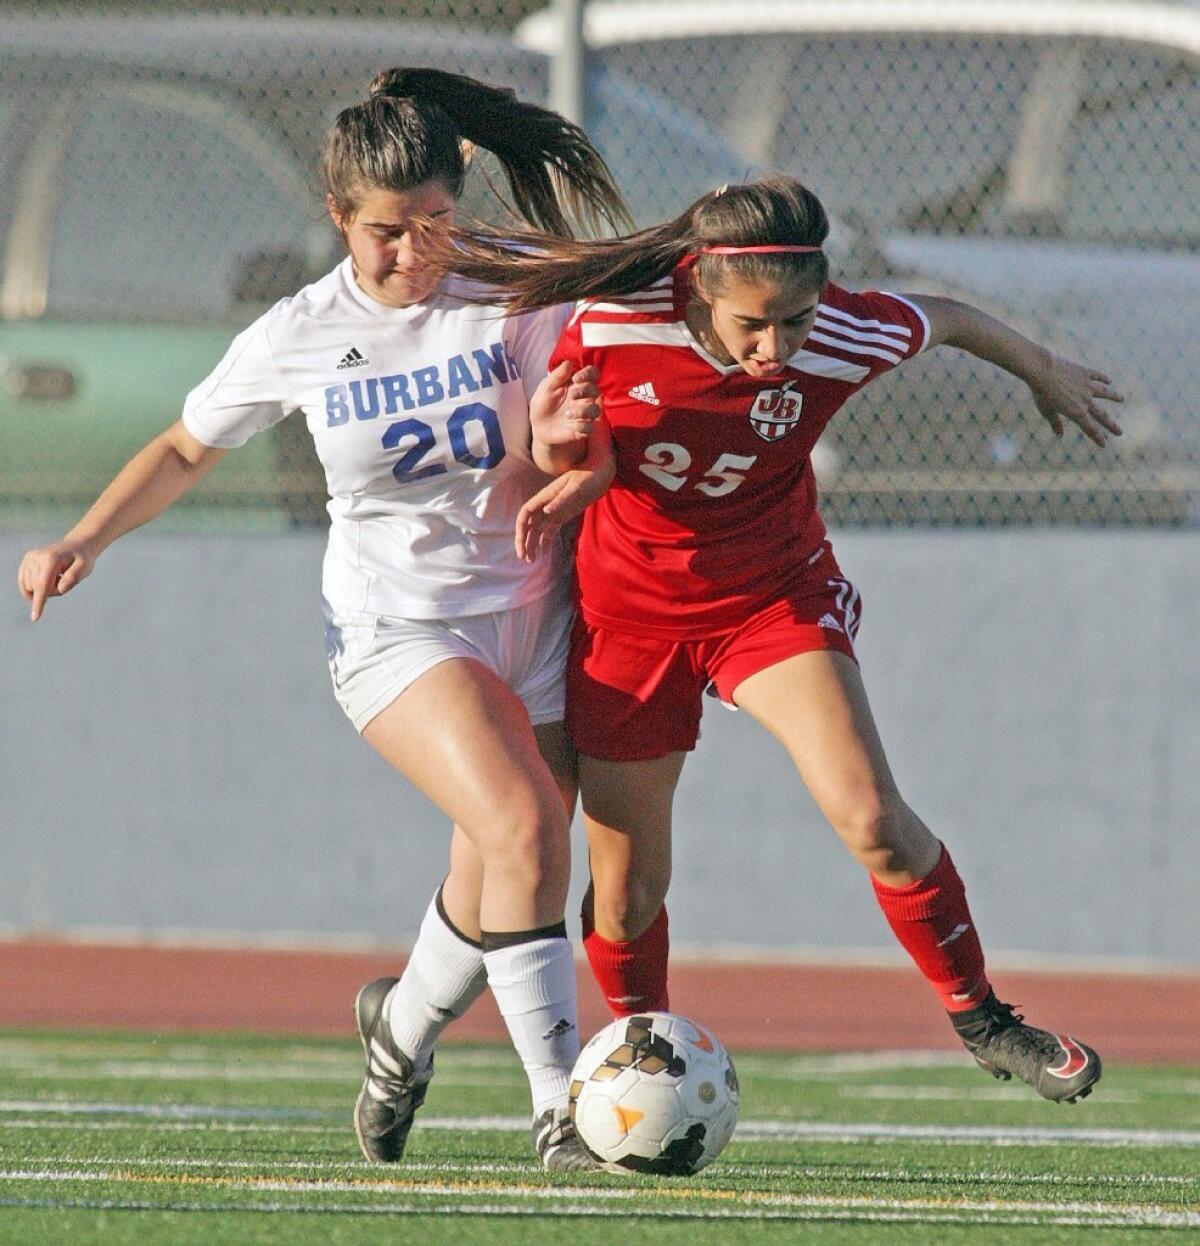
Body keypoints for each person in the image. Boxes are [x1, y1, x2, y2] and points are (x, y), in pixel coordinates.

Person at [16, 67, 629, 1169]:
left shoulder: (517, 292)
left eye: (435, 222)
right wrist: (83, 538)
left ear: (461, 198)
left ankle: (398, 1036)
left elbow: (564, 449)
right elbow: (186, 446)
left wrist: (558, 440)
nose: (413, 252)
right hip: (399, 631)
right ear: (339, 215)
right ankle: (559, 1108)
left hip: (533, 614)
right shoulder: (300, 330)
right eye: (386, 231)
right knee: (532, 828)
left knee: (494, 862)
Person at [425, 176, 1122, 1104]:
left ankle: (986, 1021)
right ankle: (644, 1061)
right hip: (629, 620)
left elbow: (947, 317)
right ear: (701, 286)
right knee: (626, 896)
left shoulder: (842, 332)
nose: (777, 346)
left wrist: (1045, 369)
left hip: (771, 598)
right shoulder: (617, 319)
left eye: (794, 320)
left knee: (873, 817)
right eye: (754, 324)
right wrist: (578, 467)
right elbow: (566, 434)